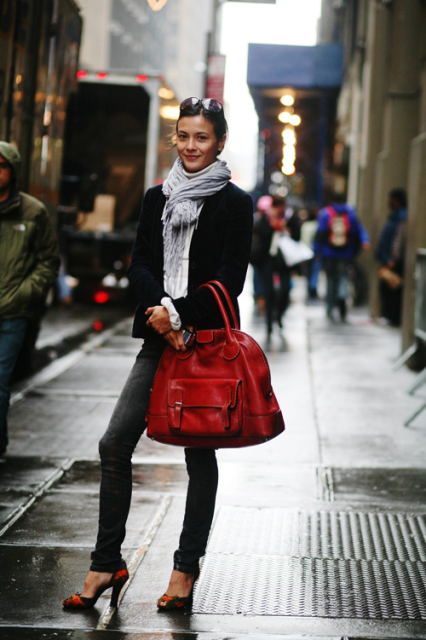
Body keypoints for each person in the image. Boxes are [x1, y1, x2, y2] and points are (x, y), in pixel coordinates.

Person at [62, 97, 253, 611]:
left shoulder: (235, 203)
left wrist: (179, 316)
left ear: (219, 142)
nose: (191, 146)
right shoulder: (155, 197)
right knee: (114, 442)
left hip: (203, 344)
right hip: (157, 337)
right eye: (184, 136)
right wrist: (162, 315)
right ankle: (106, 563)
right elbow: (139, 264)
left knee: (199, 454)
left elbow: (230, 279)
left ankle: (185, 570)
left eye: (202, 137)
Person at [0, 142, 60, 456]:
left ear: (13, 171)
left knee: (0, 380)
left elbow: (48, 260)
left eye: (1, 166)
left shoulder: (32, 211)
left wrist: (27, 293)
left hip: (13, 311)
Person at [315, 194, 370, 321]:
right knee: (344, 277)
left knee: (330, 280)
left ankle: (330, 308)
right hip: (346, 253)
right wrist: (358, 248)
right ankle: (342, 298)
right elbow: (358, 231)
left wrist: (317, 252)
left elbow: (319, 234)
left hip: (328, 253)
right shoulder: (350, 214)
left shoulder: (325, 213)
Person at [375, 188, 407, 326]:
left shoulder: (401, 216)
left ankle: (391, 316)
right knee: (387, 288)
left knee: (391, 289)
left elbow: (398, 239)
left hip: (392, 260)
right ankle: (388, 315)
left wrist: (393, 259)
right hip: (389, 258)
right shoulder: (396, 215)